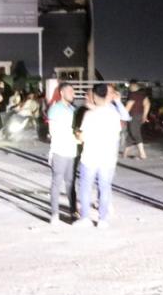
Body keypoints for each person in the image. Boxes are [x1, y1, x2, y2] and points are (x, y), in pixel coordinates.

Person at [74, 84, 122, 229]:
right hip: (107, 158)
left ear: (94, 96)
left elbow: (82, 137)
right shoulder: (114, 115)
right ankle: (103, 220)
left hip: (90, 157)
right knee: (105, 188)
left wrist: (77, 134)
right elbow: (117, 134)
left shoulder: (89, 115)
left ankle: (85, 218)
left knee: (86, 188)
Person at [47, 83, 79, 226]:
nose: (73, 93)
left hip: (72, 150)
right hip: (60, 150)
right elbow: (53, 132)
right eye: (70, 91)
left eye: (73, 91)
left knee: (71, 183)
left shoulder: (73, 109)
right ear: (61, 92)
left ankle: (73, 210)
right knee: (57, 182)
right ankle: (55, 214)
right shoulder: (55, 109)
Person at [123, 79, 150, 160]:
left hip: (133, 116)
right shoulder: (142, 94)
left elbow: (128, 107)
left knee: (135, 133)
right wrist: (144, 115)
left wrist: (122, 116)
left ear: (133, 85)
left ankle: (142, 153)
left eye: (130, 86)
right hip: (140, 116)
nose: (129, 87)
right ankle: (125, 153)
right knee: (131, 134)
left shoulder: (132, 95)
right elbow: (147, 104)